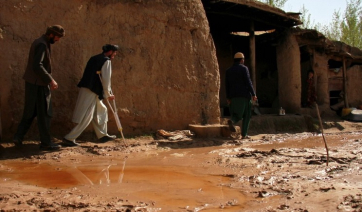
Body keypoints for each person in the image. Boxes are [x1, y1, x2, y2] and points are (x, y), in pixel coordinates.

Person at [13, 25, 65, 150]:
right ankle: (46, 143)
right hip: (39, 84)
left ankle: (18, 137)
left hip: (32, 83)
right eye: (57, 37)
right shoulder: (42, 44)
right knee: (45, 113)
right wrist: (50, 80)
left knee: (30, 112)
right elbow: (37, 65)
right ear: (51, 34)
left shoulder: (39, 42)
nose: (58, 40)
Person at [61, 44, 119, 146]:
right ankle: (69, 138)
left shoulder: (94, 58)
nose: (115, 55)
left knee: (101, 110)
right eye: (114, 52)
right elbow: (106, 80)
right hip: (93, 90)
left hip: (88, 88)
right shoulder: (106, 61)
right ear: (110, 52)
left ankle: (102, 135)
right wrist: (108, 94)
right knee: (87, 116)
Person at [225, 52, 257, 139]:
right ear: (242, 60)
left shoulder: (228, 70)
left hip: (233, 96)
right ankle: (243, 133)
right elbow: (248, 82)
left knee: (236, 113)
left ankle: (233, 121)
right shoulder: (244, 68)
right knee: (246, 115)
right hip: (244, 96)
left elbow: (227, 85)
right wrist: (253, 94)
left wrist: (228, 97)